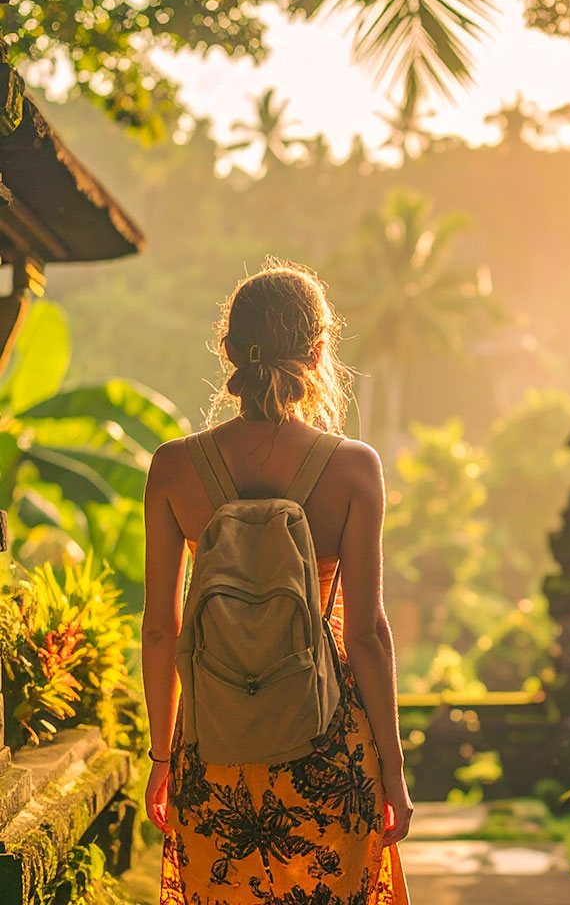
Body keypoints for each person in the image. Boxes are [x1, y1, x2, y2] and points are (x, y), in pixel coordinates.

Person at [141, 258, 412, 904]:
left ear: (229, 350)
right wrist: (394, 773)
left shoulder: (174, 467)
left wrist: (162, 758)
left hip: (214, 750)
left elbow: (160, 629)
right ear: (319, 352)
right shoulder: (353, 468)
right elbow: (368, 634)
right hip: (329, 744)